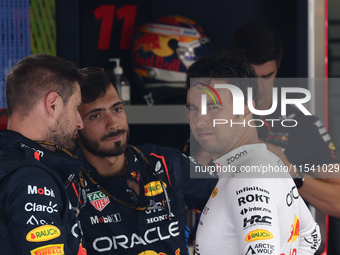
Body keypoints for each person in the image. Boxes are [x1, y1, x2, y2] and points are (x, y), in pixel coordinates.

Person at [186, 49, 321, 255]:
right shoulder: (266, 161)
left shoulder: (247, 179)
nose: (199, 120)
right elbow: (311, 237)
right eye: (193, 108)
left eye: (213, 107)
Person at [69, 69, 217, 254]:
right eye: (95, 116)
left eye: (117, 109)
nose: (113, 123)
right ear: (74, 126)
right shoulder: (68, 186)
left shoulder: (167, 163)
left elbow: (230, 200)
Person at [231, 20, 340, 218]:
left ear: (278, 66)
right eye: (251, 77)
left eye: (267, 76)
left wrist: (290, 173)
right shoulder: (214, 119)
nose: (259, 87)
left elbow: (338, 201)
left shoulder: (304, 125)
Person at [0, 54, 86, 254]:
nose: (80, 122)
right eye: (76, 108)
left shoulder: (8, 160)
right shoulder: (31, 177)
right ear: (53, 104)